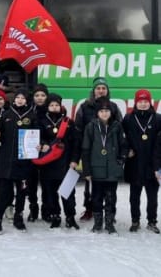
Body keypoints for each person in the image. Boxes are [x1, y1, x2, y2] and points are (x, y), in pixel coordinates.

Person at [0, 88, 38, 234]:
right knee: (4, 192)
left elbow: (37, 135)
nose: (20, 100)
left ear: (26, 100)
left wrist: (38, 144)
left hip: (24, 163)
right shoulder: (6, 115)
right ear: (13, 99)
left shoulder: (32, 116)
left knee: (22, 192)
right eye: (18, 97)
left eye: (23, 98)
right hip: (7, 162)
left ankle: (18, 218)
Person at [74, 77, 122, 221]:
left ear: (107, 91)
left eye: (103, 88)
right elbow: (78, 128)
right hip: (91, 149)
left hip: (109, 153)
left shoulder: (113, 106)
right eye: (98, 88)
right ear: (93, 91)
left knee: (109, 185)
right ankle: (90, 209)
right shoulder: (85, 106)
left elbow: (119, 126)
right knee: (90, 182)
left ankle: (109, 214)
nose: (101, 91)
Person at [81, 96, 127, 234]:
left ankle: (109, 223)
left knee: (111, 198)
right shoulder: (91, 127)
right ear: (97, 113)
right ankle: (97, 223)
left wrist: (121, 159)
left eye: (107, 110)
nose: (104, 113)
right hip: (96, 170)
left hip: (112, 169)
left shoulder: (117, 126)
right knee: (96, 198)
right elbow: (85, 150)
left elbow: (124, 145)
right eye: (101, 111)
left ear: (111, 112)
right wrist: (87, 171)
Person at [37, 93, 80, 229]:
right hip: (48, 163)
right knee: (50, 192)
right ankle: (55, 216)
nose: (54, 107)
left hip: (66, 163)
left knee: (68, 192)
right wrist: (42, 144)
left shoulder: (68, 122)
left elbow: (76, 144)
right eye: (51, 105)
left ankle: (70, 217)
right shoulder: (42, 121)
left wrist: (74, 160)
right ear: (47, 106)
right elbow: (38, 137)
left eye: (56, 105)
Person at [123, 89, 161, 233]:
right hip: (135, 164)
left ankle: (152, 221)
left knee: (152, 197)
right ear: (136, 102)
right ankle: (135, 221)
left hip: (153, 165)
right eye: (140, 101)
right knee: (134, 196)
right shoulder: (128, 118)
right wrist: (127, 151)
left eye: (146, 101)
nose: (143, 104)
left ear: (150, 102)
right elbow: (122, 138)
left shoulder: (158, 119)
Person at [28, 83, 49, 222]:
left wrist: (45, 144)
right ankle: (33, 208)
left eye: (42, 95)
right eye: (37, 95)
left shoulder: (52, 110)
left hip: (47, 152)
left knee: (47, 183)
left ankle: (46, 210)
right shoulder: (29, 111)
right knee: (31, 183)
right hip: (32, 151)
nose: (40, 98)